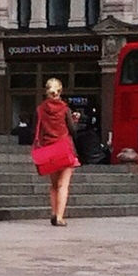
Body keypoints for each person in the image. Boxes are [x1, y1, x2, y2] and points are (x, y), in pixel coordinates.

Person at [34, 78, 80, 227]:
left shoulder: (40, 109)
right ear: (60, 91)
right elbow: (72, 130)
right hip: (64, 149)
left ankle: (54, 213)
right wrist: (75, 120)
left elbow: (37, 129)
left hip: (49, 150)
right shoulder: (65, 109)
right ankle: (60, 217)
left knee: (54, 185)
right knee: (63, 185)